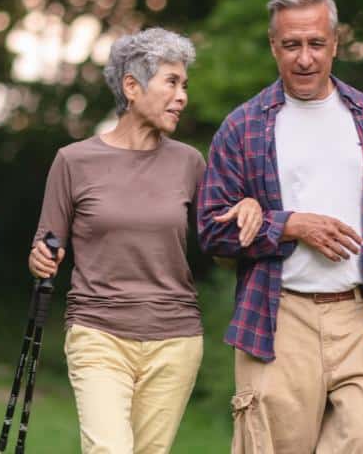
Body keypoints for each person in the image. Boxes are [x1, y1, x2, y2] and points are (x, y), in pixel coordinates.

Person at [197, 0, 363, 454]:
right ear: (274, 46)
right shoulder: (243, 126)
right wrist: (287, 225)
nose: (304, 58)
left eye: (315, 43)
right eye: (292, 45)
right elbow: (212, 228)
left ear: (335, 42)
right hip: (278, 318)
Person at [28, 27, 263, 454]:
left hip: (175, 340)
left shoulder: (190, 162)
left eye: (184, 85)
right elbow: (46, 243)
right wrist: (41, 258)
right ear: (131, 87)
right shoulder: (74, 161)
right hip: (98, 333)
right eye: (171, 82)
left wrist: (248, 206)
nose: (182, 96)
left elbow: (224, 244)